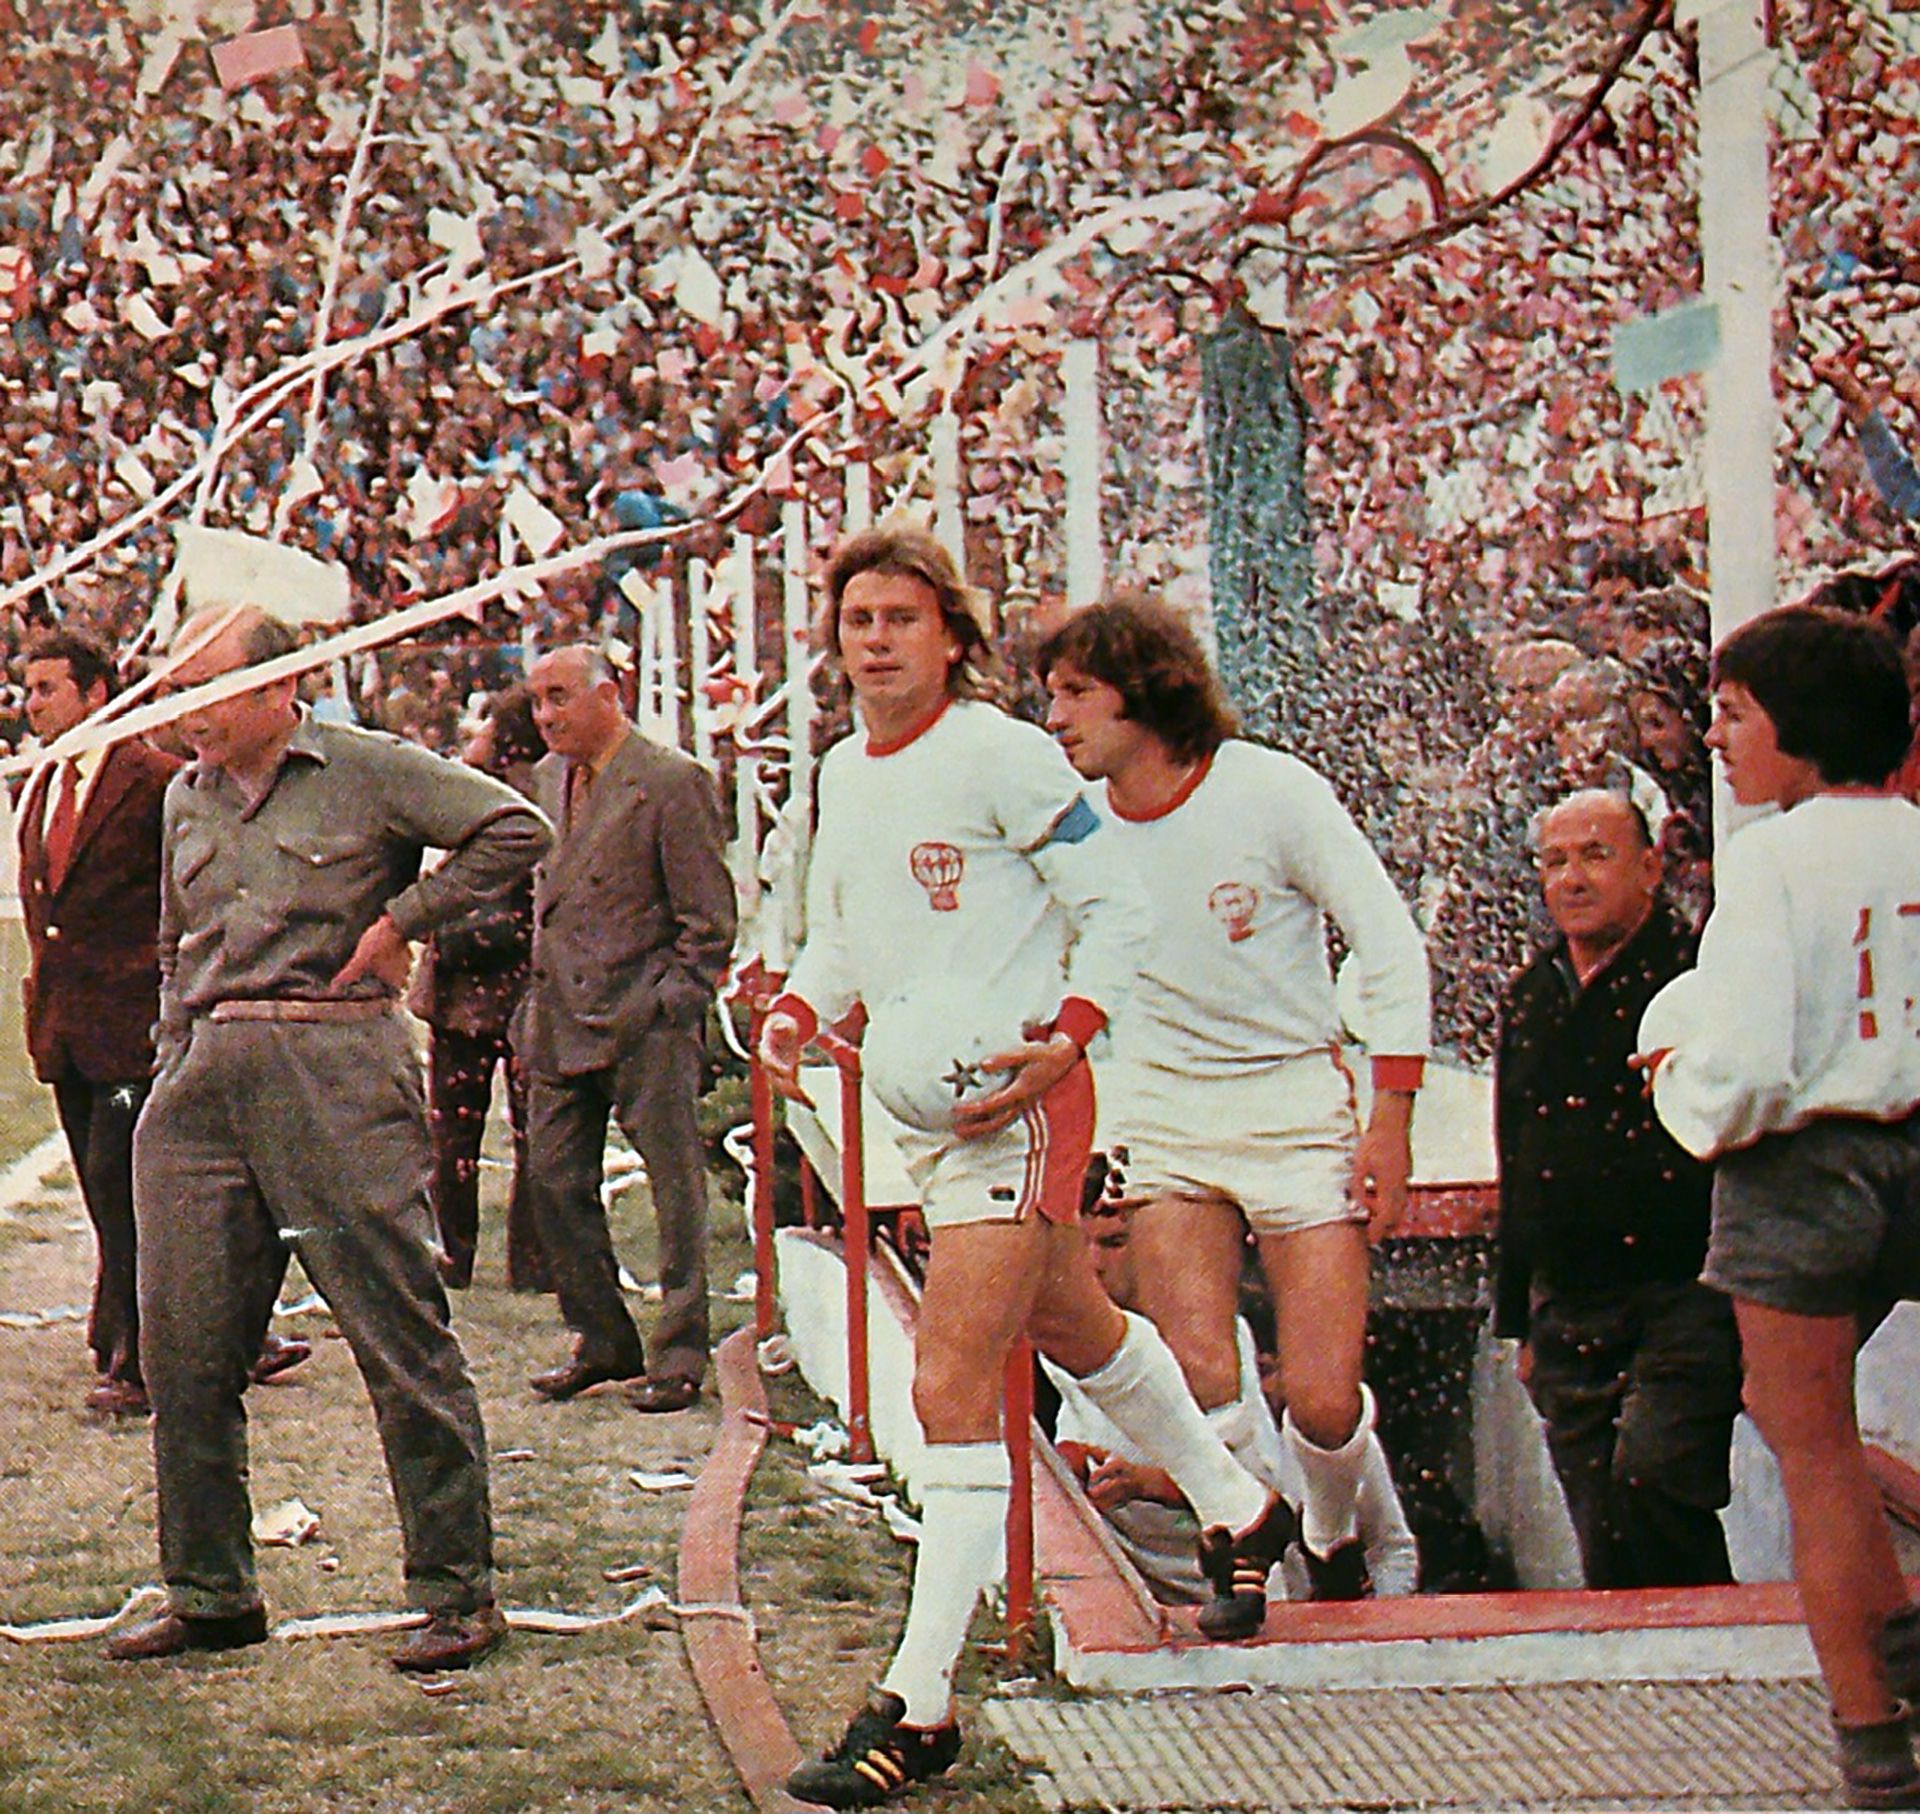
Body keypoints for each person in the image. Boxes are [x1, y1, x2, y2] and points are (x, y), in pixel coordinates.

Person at [762, 528, 1294, 1810]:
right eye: (857, 619)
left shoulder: (1003, 753)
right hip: (930, 1106)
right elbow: (845, 930)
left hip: (1023, 1104)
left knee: (951, 1377)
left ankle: (922, 1700)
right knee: (1072, 1319)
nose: (875, 638)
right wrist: (794, 1009)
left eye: (901, 616)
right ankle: (1237, 1502)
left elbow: (1119, 906)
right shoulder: (844, 769)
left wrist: (1066, 1040)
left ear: (953, 636)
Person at [107, 603, 550, 1673]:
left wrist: (406, 918)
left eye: (209, 690)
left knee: (399, 1334)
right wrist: (175, 1056)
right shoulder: (184, 794)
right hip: (205, 1076)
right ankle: (211, 1587)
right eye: (180, 690)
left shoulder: (367, 767)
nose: (190, 713)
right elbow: (178, 939)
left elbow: (514, 828)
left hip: (336, 1062)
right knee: (185, 1349)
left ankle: (456, 1588)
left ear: (278, 688)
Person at [1038, 592, 1429, 1602]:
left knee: (1327, 1397)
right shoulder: (1071, 828)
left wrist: (1392, 1114)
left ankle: (1332, 1535)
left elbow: (1386, 941)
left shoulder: (1272, 792)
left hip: (1296, 1100)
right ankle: (1242, 1542)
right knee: (1205, 1369)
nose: (1056, 718)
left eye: (1077, 693)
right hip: (1167, 1107)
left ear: (1146, 694)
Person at [1640, 604, 1920, 1809]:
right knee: (1810, 1434)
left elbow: (1748, 1065)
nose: (1715, 738)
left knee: (1809, 1451)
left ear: (1797, 731)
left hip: (1804, 1166)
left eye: (1734, 714)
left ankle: (1875, 1736)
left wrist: (1673, 1082)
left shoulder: (1769, 859)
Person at [16, 630, 308, 1419]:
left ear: (96, 691)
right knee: (104, 1190)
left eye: (47, 689)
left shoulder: (155, 781)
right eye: (27, 689)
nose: (31, 705)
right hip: (67, 1029)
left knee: (130, 1193)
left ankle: (141, 1359)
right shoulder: (39, 784)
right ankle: (214, 1334)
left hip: (136, 1027)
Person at [1495, 790, 1741, 1590]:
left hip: (1688, 1287)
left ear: (1650, 866)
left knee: (1659, 1478)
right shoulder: (1530, 996)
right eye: (1555, 860)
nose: (1572, 878)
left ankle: (1716, 1665)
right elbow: (1516, 1156)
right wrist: (1516, 1321)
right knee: (1601, 1522)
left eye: (1595, 855)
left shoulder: (1701, 982)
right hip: (1567, 1303)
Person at [518, 644, 736, 1413]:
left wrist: (672, 1002)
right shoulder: (546, 781)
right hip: (558, 1021)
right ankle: (603, 1336)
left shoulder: (672, 783)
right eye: (537, 700)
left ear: (610, 695)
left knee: (674, 1191)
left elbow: (708, 918)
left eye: (558, 697)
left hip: (644, 1021)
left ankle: (679, 1352)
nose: (544, 715)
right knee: (552, 1182)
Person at [1049, 1199, 1419, 1605]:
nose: (1094, 1264)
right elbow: (1071, 1456)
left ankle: (1326, 1546)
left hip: (1272, 1602)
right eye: (1083, 1245)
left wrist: (1373, 1626)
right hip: (1148, 1610)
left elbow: (1272, 1495)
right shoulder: (1071, 1350)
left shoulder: (1240, 1355)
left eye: (1114, 1243)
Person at [409, 685, 548, 1292]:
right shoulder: (556, 786)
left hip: (468, 981)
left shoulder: (473, 787)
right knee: (532, 1129)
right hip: (522, 981)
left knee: (454, 1131)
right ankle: (533, 1261)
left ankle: (453, 1254)